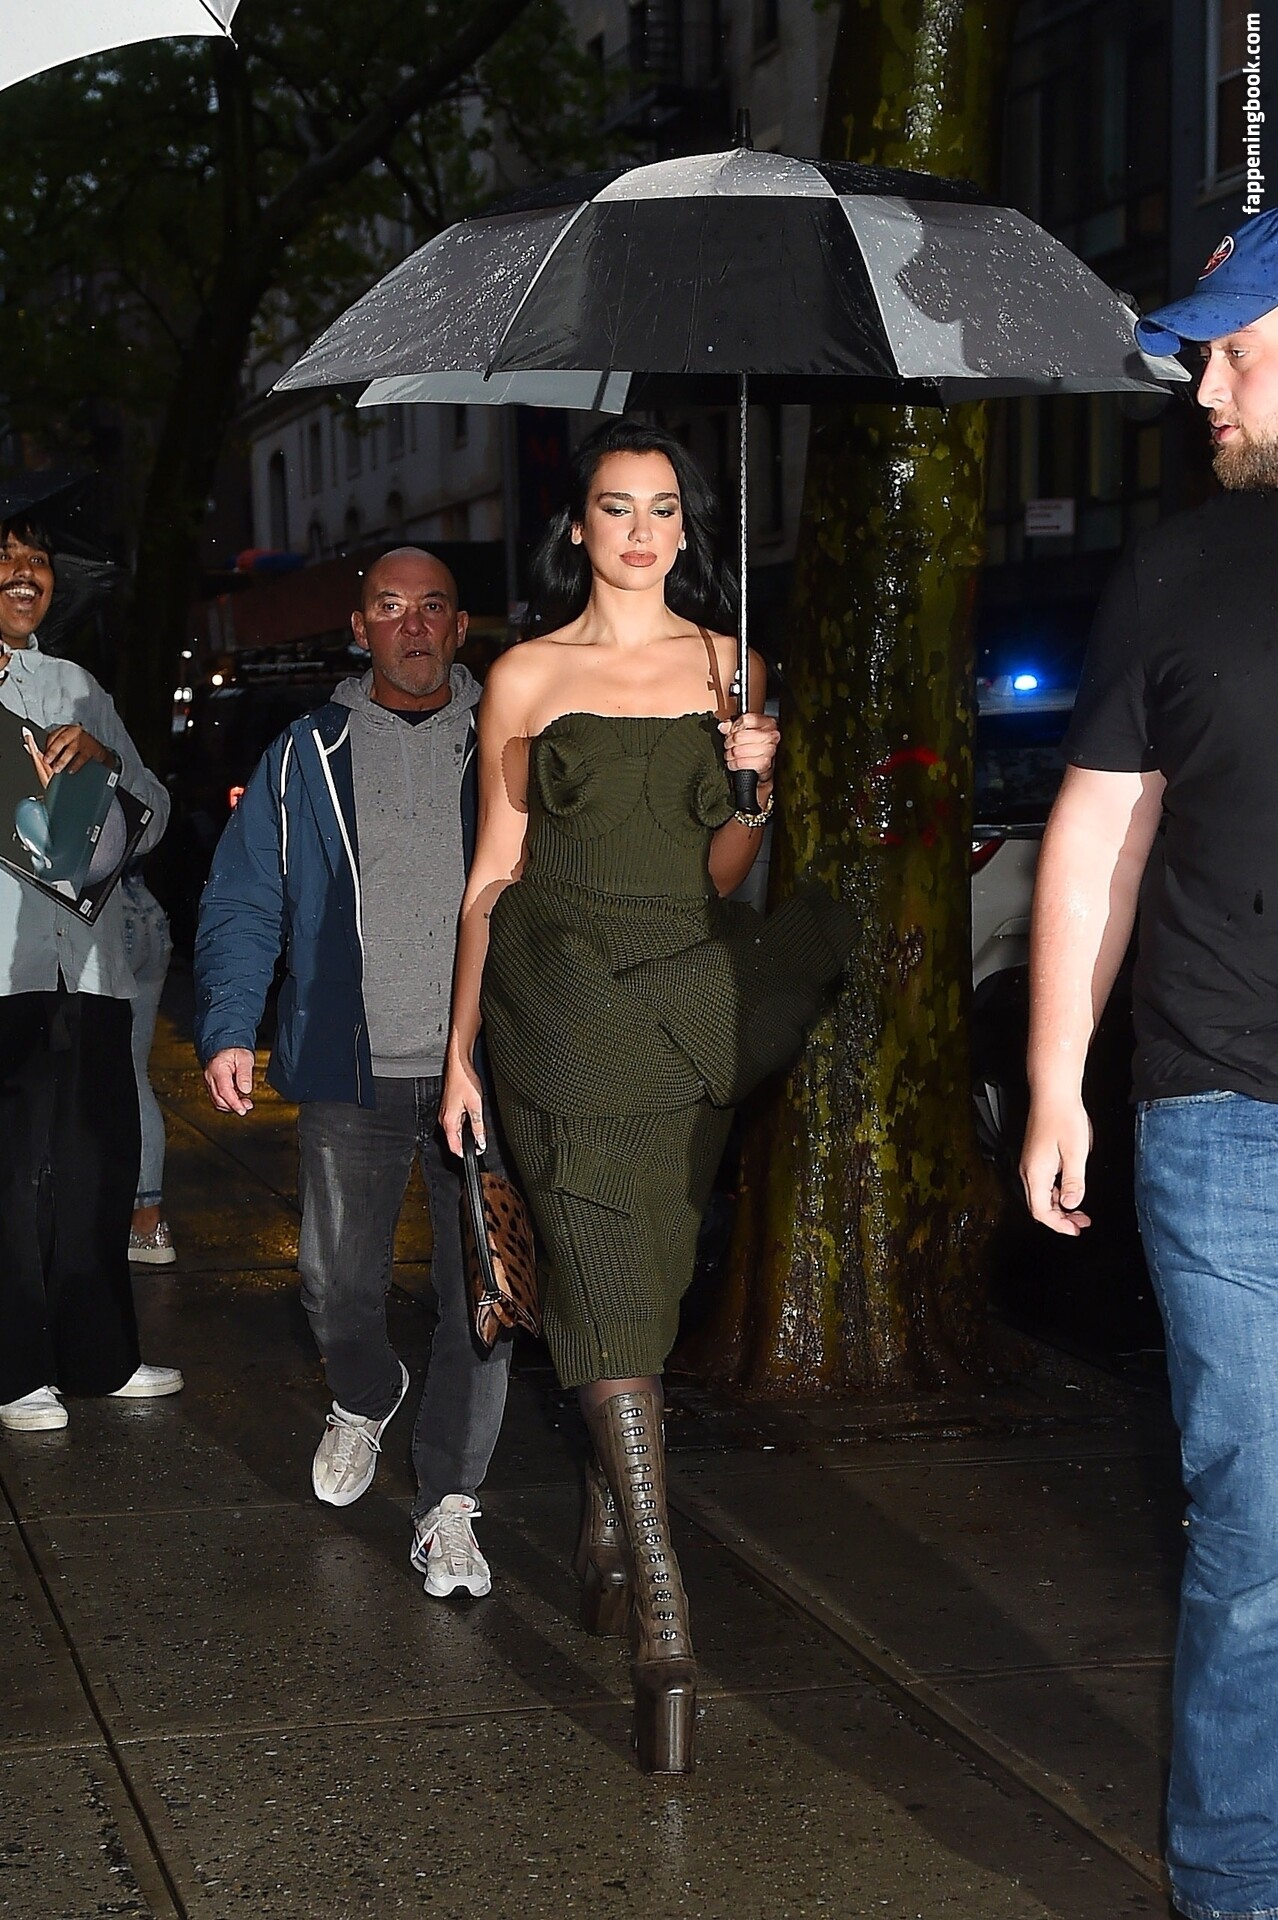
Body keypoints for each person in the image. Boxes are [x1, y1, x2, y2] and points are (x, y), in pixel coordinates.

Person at [441, 419, 852, 1772]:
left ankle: (606, 1518)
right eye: (614, 507)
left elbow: (719, 873)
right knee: (607, 1268)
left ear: (688, 526)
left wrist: (755, 790)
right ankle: (666, 1614)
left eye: (662, 508)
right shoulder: (524, 674)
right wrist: (461, 1053)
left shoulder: (733, 668)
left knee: (646, 1278)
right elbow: (494, 874)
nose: (638, 531)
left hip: (686, 1002)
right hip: (556, 1001)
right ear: (579, 526)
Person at [1022, 204, 1278, 1920]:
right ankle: (1234, 1881)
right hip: (1221, 1115)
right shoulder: (1173, 572)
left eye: (1230, 352)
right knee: (1256, 1528)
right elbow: (1097, 841)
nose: (1200, 390)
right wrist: (1054, 1077)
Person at [194, 548, 511, 1600]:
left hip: (482, 1074)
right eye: (390, 607)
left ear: (459, 629)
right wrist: (229, 1026)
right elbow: (246, 896)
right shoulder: (305, 755)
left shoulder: (511, 742)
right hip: (350, 1067)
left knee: (484, 1297)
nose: (412, 625)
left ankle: (449, 1503)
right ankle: (367, 1392)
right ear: (359, 626)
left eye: (432, 607)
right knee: (333, 1288)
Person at [0, 514, 183, 1433]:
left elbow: (155, 813)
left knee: (95, 1170)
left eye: (36, 560)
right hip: (3, 971)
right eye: (5, 558)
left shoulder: (78, 685)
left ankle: (99, 1359)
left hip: (92, 965)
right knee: (8, 1179)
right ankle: (13, 1370)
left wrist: (107, 763)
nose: (24, 574)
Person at [121, 863, 178, 1265]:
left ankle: (143, 1221)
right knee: (134, 1073)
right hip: (146, 907)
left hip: (103, 914)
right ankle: (148, 1223)